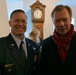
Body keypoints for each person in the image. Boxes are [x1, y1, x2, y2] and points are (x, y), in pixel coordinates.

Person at [0, 9, 40, 75]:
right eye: (16, 21)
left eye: (23, 21)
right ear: (10, 23)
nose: (20, 24)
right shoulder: (2, 46)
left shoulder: (34, 46)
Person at [40, 5, 76, 75]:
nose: (61, 24)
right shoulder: (46, 44)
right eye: (57, 21)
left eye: (65, 20)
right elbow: (43, 70)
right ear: (53, 22)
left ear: (70, 20)